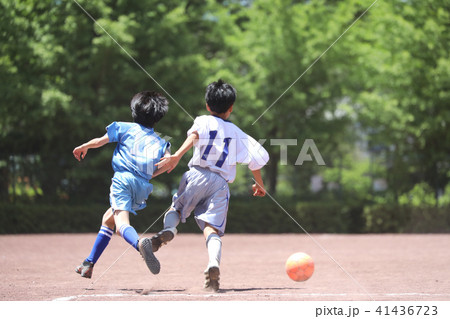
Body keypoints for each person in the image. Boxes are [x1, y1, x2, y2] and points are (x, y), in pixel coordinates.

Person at [152, 79, 269, 292]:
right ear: (231, 108)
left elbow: (194, 135)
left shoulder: (203, 120)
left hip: (197, 174)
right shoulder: (237, 133)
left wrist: (177, 155)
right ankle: (213, 263)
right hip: (220, 185)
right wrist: (259, 185)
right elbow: (259, 158)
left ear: (207, 105)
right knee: (211, 229)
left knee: (176, 209)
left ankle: (168, 230)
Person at [73, 91, 170, 279]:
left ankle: (140, 245)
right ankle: (88, 264)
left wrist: (85, 145)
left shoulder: (124, 128)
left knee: (121, 226)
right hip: (142, 187)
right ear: (158, 118)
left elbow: (100, 141)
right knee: (108, 219)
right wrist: (148, 175)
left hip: (123, 180)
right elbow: (166, 165)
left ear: (134, 111)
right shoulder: (162, 141)